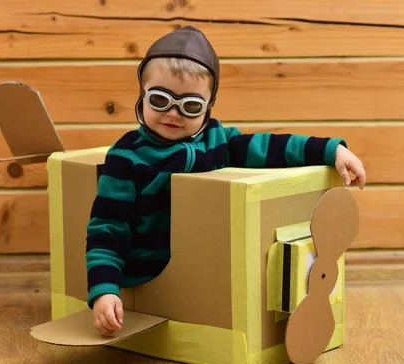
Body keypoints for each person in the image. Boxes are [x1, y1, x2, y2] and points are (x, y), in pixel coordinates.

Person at [86, 26, 366, 335]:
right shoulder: (126, 157)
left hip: (205, 277)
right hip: (145, 280)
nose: (174, 113)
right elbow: (106, 229)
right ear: (142, 96)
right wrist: (104, 289)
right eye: (159, 100)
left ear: (208, 109)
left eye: (190, 105)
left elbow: (271, 147)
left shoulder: (218, 142)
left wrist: (330, 150)